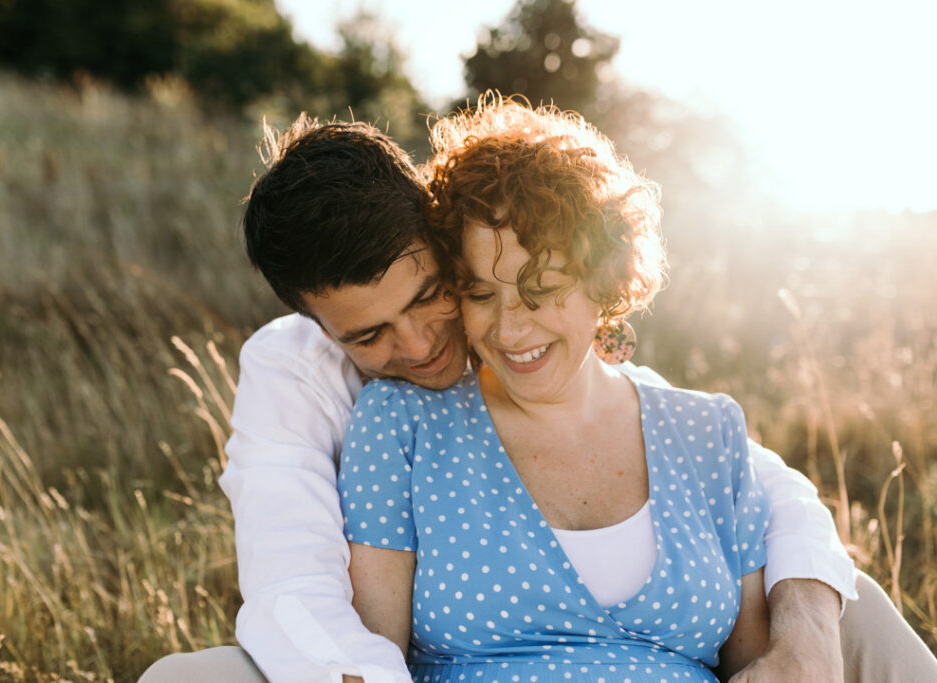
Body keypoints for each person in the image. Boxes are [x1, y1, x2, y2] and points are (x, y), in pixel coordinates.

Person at [138, 111, 937, 683]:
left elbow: (775, 494)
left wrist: (802, 648)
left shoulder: (683, 420)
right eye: (368, 336)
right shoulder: (320, 387)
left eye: (429, 296)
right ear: (316, 322)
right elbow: (297, 596)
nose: (419, 347)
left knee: (848, 607)